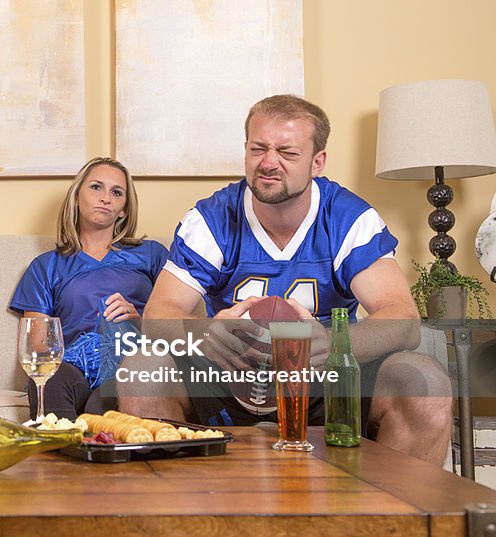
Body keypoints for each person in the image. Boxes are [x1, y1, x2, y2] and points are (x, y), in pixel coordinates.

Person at [122, 95, 452, 465]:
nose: (268, 162)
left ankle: (393, 521)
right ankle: (169, 521)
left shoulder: (348, 218)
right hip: (229, 376)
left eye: (287, 152)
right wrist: (205, 336)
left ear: (318, 162)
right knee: (141, 369)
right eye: (257, 148)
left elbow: (402, 320)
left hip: (324, 383)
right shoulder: (213, 217)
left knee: (424, 381)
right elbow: (158, 314)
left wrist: (329, 342)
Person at [9, 157, 168, 419]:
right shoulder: (46, 266)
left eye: (116, 192)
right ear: (77, 196)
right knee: (50, 379)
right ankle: (61, 446)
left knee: (104, 402)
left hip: (134, 361)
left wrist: (140, 321)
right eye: (96, 187)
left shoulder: (152, 255)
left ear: (124, 210)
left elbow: (178, 323)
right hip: (75, 369)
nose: (106, 197)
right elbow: (37, 349)